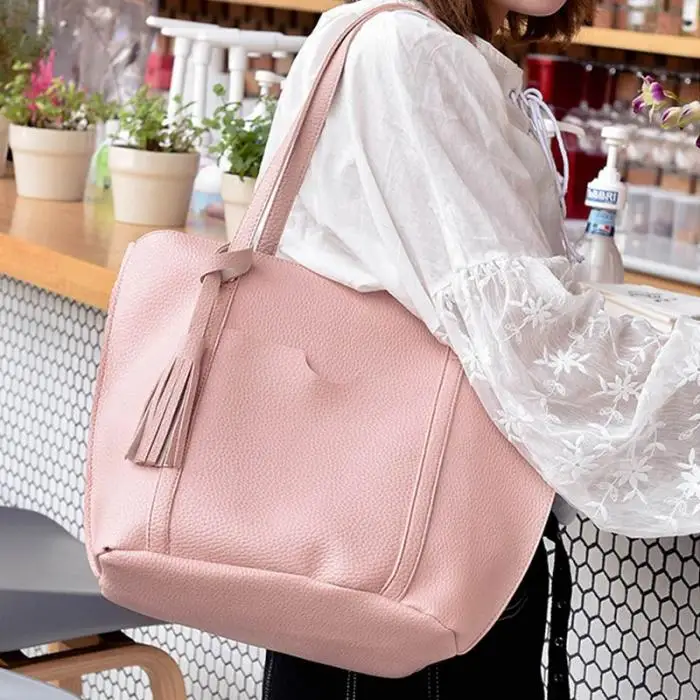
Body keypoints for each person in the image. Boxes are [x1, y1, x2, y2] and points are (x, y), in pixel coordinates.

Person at [256, 0, 700, 696]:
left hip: (366, 538)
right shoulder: (412, 51)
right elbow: (523, 333)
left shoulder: (369, 28)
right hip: (418, 547)